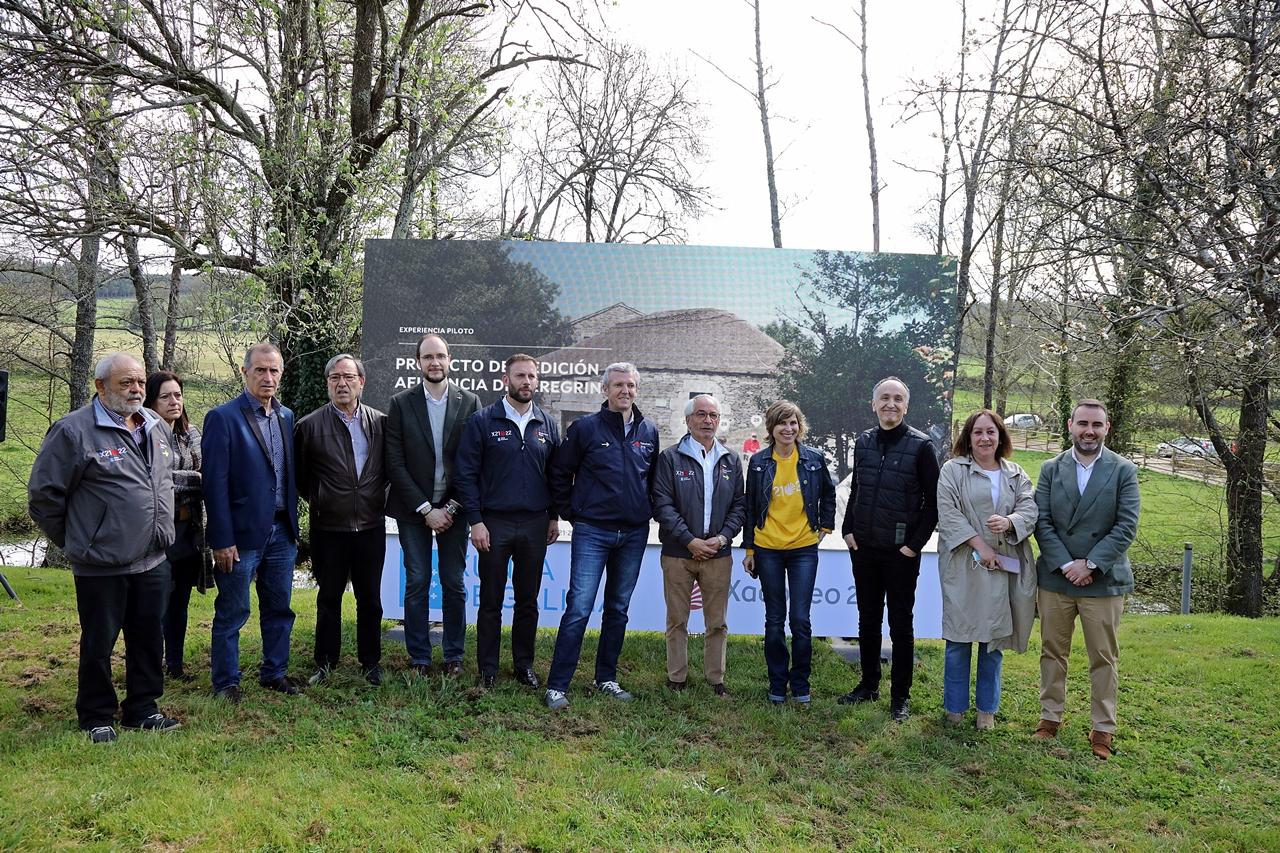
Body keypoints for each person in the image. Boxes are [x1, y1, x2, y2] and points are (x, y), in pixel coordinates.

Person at [28, 352, 180, 741]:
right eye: (126, 383)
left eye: (141, 382)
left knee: (148, 637)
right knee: (99, 642)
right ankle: (96, 715)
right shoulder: (73, 432)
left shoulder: (154, 425)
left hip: (154, 559)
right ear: (100, 386)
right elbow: (44, 497)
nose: (136, 390)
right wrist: (80, 540)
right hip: (102, 565)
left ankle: (143, 708)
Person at [543, 363, 659, 711]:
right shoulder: (585, 429)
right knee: (579, 608)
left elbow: (652, 479)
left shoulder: (649, 430)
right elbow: (560, 473)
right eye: (618, 385)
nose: (625, 391)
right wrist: (572, 513)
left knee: (618, 609)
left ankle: (605, 678)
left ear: (637, 390)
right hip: (593, 531)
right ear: (605, 390)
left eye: (631, 386)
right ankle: (557, 686)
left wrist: (647, 510)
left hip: (634, 533)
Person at [1032, 399, 1139, 759]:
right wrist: (1066, 565)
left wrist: (1090, 564)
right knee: (1052, 652)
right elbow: (1042, 522)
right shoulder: (1050, 468)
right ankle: (1050, 718)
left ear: (1107, 428)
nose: (1088, 431)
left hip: (1104, 580)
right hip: (1057, 578)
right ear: (1070, 425)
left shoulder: (1124, 470)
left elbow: (1126, 526)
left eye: (1096, 424)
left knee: (1103, 657)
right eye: (1082, 424)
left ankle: (1103, 728)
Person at [454, 354, 561, 690]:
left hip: (534, 523)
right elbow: (466, 475)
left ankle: (523, 665)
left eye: (531, 376)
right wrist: (476, 522)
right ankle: (488, 669)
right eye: (520, 376)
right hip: (494, 524)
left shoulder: (547, 424)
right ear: (506, 379)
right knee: (491, 600)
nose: (526, 382)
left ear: (537, 381)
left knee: (528, 601)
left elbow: (556, 476)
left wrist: (554, 517)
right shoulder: (483, 421)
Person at [203, 342, 301, 702]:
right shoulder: (223, 418)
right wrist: (221, 539)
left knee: (280, 607)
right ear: (244, 373)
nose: (268, 377)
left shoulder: (286, 416)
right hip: (240, 536)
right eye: (260, 370)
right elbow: (214, 485)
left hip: (281, 532)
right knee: (233, 611)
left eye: (274, 370)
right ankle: (226, 682)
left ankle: (274, 672)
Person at [838, 376, 939, 721]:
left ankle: (900, 697)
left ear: (906, 406)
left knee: (900, 625)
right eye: (884, 398)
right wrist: (847, 528)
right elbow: (857, 489)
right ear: (874, 404)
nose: (890, 404)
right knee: (867, 620)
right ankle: (868, 685)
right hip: (864, 548)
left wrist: (913, 546)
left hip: (901, 554)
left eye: (897, 399)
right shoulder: (864, 441)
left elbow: (933, 503)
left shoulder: (922, 446)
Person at [935, 409, 1038, 730]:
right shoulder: (953, 470)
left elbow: (1030, 508)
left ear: (1000, 437)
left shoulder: (1015, 473)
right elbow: (948, 514)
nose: (984, 438)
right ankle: (954, 710)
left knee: (992, 642)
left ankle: (986, 712)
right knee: (958, 639)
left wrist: (1010, 522)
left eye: (990, 432)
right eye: (978, 432)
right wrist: (981, 547)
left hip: (1003, 568)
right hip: (965, 565)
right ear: (968, 437)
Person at [384, 334, 480, 677]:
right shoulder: (400, 403)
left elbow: (474, 460)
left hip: (456, 509)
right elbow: (394, 463)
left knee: (454, 582)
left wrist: (451, 508)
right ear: (418, 362)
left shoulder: (469, 401)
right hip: (414, 510)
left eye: (440, 356)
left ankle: (453, 655)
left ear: (450, 359)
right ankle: (420, 658)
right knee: (418, 581)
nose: (434, 362)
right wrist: (426, 509)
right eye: (428, 357)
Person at [295, 354, 388, 687]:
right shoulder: (309, 426)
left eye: (348, 377)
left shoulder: (381, 423)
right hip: (328, 528)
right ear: (327, 384)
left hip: (371, 526)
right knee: (329, 597)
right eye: (334, 378)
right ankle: (325, 662)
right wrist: (325, 499)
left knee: (370, 599)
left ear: (361, 382)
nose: (342, 383)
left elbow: (389, 472)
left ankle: (371, 662)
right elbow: (301, 479)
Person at [741, 400, 835, 705]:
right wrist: (750, 549)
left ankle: (801, 684)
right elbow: (751, 507)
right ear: (772, 427)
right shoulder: (758, 463)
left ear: (800, 426)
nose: (788, 428)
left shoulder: (814, 459)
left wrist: (825, 527)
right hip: (767, 549)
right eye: (782, 423)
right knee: (774, 619)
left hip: (803, 550)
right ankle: (777, 684)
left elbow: (828, 494)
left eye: (793, 423)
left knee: (800, 619)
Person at [651, 395, 745, 696]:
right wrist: (689, 540)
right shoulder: (670, 457)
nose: (708, 421)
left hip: (719, 554)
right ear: (688, 420)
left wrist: (721, 538)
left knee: (717, 623)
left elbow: (740, 506)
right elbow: (662, 504)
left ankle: (715, 680)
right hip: (679, 552)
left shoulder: (730, 459)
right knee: (677, 619)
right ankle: (676, 678)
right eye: (701, 415)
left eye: (713, 415)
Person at [144, 370, 214, 682]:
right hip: (157, 533)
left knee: (179, 604)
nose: (174, 401)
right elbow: (155, 479)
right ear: (152, 401)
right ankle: (150, 665)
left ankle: (175, 664)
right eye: (166, 396)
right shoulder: (143, 434)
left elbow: (206, 475)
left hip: (190, 533)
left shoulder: (192, 433)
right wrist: (193, 479)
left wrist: (186, 480)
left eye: (178, 395)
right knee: (155, 603)